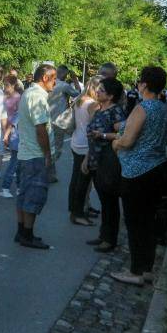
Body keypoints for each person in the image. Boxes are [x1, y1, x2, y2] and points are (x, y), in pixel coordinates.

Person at [112, 65, 167, 286]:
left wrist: (116, 142)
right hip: (157, 170)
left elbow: (128, 140)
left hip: (136, 173)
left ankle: (136, 271)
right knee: (149, 222)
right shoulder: (164, 108)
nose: (138, 85)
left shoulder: (142, 108)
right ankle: (147, 268)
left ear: (145, 85)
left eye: (140, 81)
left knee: (134, 223)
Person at [12, 64, 58, 250]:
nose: (56, 82)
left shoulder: (29, 93)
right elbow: (41, 129)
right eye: (54, 78)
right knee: (33, 195)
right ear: (45, 78)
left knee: (23, 195)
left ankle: (21, 232)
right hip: (35, 155)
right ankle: (27, 236)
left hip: (26, 154)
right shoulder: (37, 96)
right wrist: (47, 154)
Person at [82, 77, 126, 253]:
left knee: (110, 200)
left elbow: (124, 135)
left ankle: (110, 239)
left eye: (101, 90)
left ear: (110, 95)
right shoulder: (100, 109)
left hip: (109, 160)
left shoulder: (115, 112)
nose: (97, 92)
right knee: (103, 199)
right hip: (96, 158)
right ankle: (103, 235)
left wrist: (104, 135)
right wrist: (87, 158)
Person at [68, 76, 102, 226]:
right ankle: (78, 213)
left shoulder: (80, 100)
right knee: (83, 182)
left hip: (76, 141)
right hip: (86, 146)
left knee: (76, 179)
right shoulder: (93, 104)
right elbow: (95, 127)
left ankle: (74, 210)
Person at [47, 66, 81, 182]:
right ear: (65, 74)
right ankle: (44, 169)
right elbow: (78, 94)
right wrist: (75, 80)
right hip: (58, 121)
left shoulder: (47, 84)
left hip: (45, 119)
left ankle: (51, 174)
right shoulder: (64, 86)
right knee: (56, 149)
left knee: (47, 147)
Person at [0, 74, 23, 200]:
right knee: (15, 161)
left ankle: (18, 187)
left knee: (17, 161)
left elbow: (17, 118)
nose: (5, 87)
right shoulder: (4, 97)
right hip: (8, 129)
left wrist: (8, 132)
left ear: (13, 85)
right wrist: (5, 132)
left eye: (7, 85)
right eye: (4, 84)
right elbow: (3, 115)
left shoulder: (18, 97)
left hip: (15, 131)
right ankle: (5, 188)